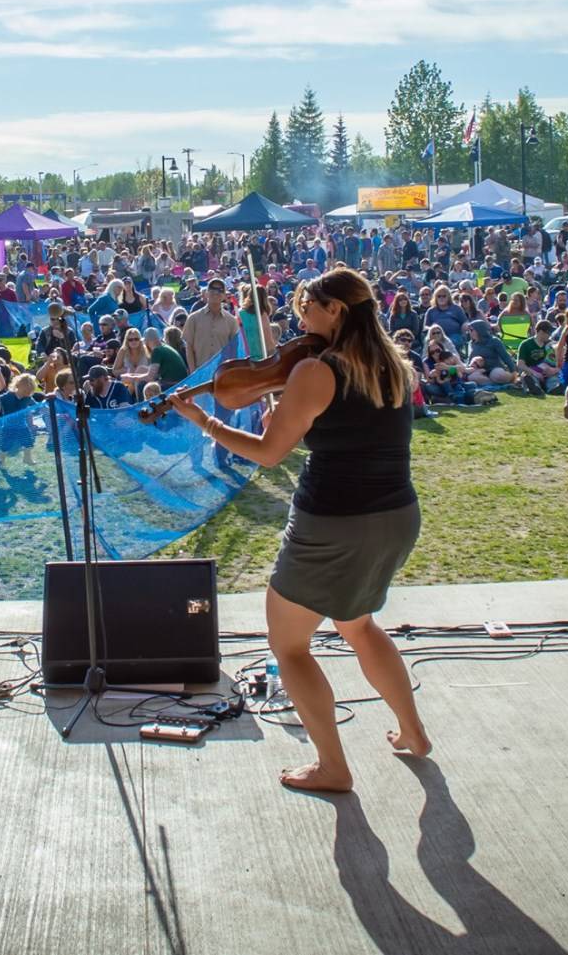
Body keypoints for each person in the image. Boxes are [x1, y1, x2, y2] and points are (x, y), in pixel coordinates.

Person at [167, 268, 428, 794]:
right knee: (358, 625)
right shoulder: (395, 364)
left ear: (336, 311)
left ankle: (332, 766)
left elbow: (268, 453)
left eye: (308, 307)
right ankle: (414, 733)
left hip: (334, 521)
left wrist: (207, 423)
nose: (297, 319)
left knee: (288, 646)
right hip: (396, 515)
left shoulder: (316, 370)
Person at [182, 277, 240, 371]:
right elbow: (189, 347)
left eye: (220, 290)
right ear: (206, 293)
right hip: (200, 372)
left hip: (222, 372)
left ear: (225, 295)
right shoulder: (193, 318)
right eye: (213, 289)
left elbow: (234, 350)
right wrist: (193, 372)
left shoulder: (231, 321)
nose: (216, 293)